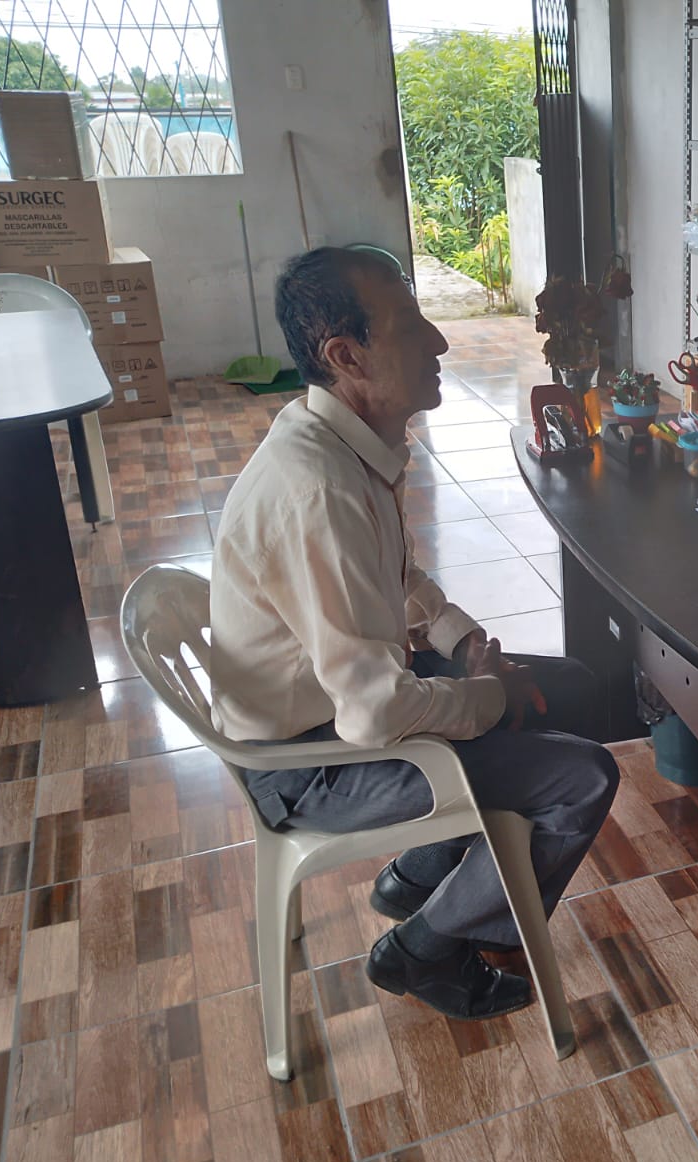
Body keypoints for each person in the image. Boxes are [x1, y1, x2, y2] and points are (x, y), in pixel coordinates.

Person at [209, 247, 619, 1021]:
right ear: (345, 356)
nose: (440, 341)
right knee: (583, 777)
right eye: (409, 326)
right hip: (309, 763)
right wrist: (485, 698)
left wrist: (466, 646)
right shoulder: (320, 491)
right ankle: (426, 948)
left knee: (568, 689)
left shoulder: (333, 438)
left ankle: (419, 878)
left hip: (327, 708)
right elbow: (373, 714)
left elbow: (396, 578)